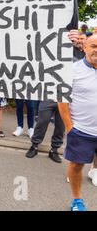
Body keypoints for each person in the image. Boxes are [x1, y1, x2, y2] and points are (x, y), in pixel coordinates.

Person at [58, 34, 97, 211]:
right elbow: (62, 100)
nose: (96, 50)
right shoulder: (72, 69)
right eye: (93, 46)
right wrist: (69, 127)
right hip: (81, 130)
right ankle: (77, 200)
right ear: (85, 48)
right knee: (76, 165)